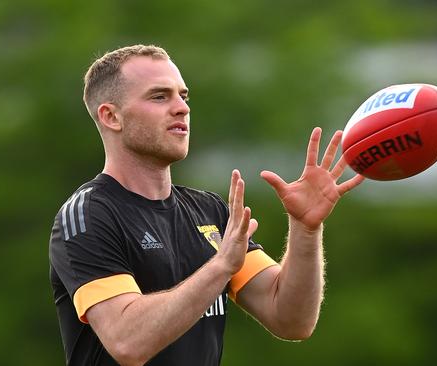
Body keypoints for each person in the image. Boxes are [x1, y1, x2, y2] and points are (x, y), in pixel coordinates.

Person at [49, 44, 364, 366]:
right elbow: (128, 341)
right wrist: (220, 267)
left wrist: (306, 229)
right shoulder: (88, 214)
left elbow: (291, 320)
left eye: (183, 97)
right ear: (111, 116)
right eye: (159, 97)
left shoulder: (208, 211)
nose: (181, 108)